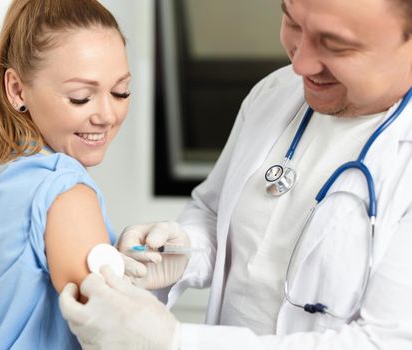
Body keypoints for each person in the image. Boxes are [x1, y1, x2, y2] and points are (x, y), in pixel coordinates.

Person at [59, 0, 412, 348]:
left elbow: (383, 341)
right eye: (292, 23)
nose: (300, 63)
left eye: (335, 45)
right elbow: (215, 212)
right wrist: (183, 253)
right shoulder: (276, 94)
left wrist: (177, 341)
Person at [0, 0, 131, 348]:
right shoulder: (63, 190)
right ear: (17, 89)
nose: (107, 114)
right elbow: (118, 339)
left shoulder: (7, 175)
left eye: (121, 91)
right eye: (81, 97)